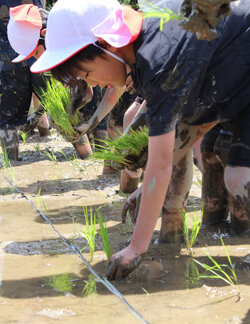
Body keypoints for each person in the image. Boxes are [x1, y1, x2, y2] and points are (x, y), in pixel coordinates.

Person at [31, 0, 250, 280]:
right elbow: (192, 127)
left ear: (107, 44)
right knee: (235, 173)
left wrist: (136, 247)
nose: (94, 84)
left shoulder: (158, 57)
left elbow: (160, 164)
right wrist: (145, 191)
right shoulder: (145, 49)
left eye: (87, 74)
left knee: (239, 179)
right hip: (240, 86)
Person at [0, 0, 50, 161]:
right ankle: (86, 157)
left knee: (8, 117)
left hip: (12, 54)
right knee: (63, 109)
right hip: (34, 48)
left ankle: (11, 163)